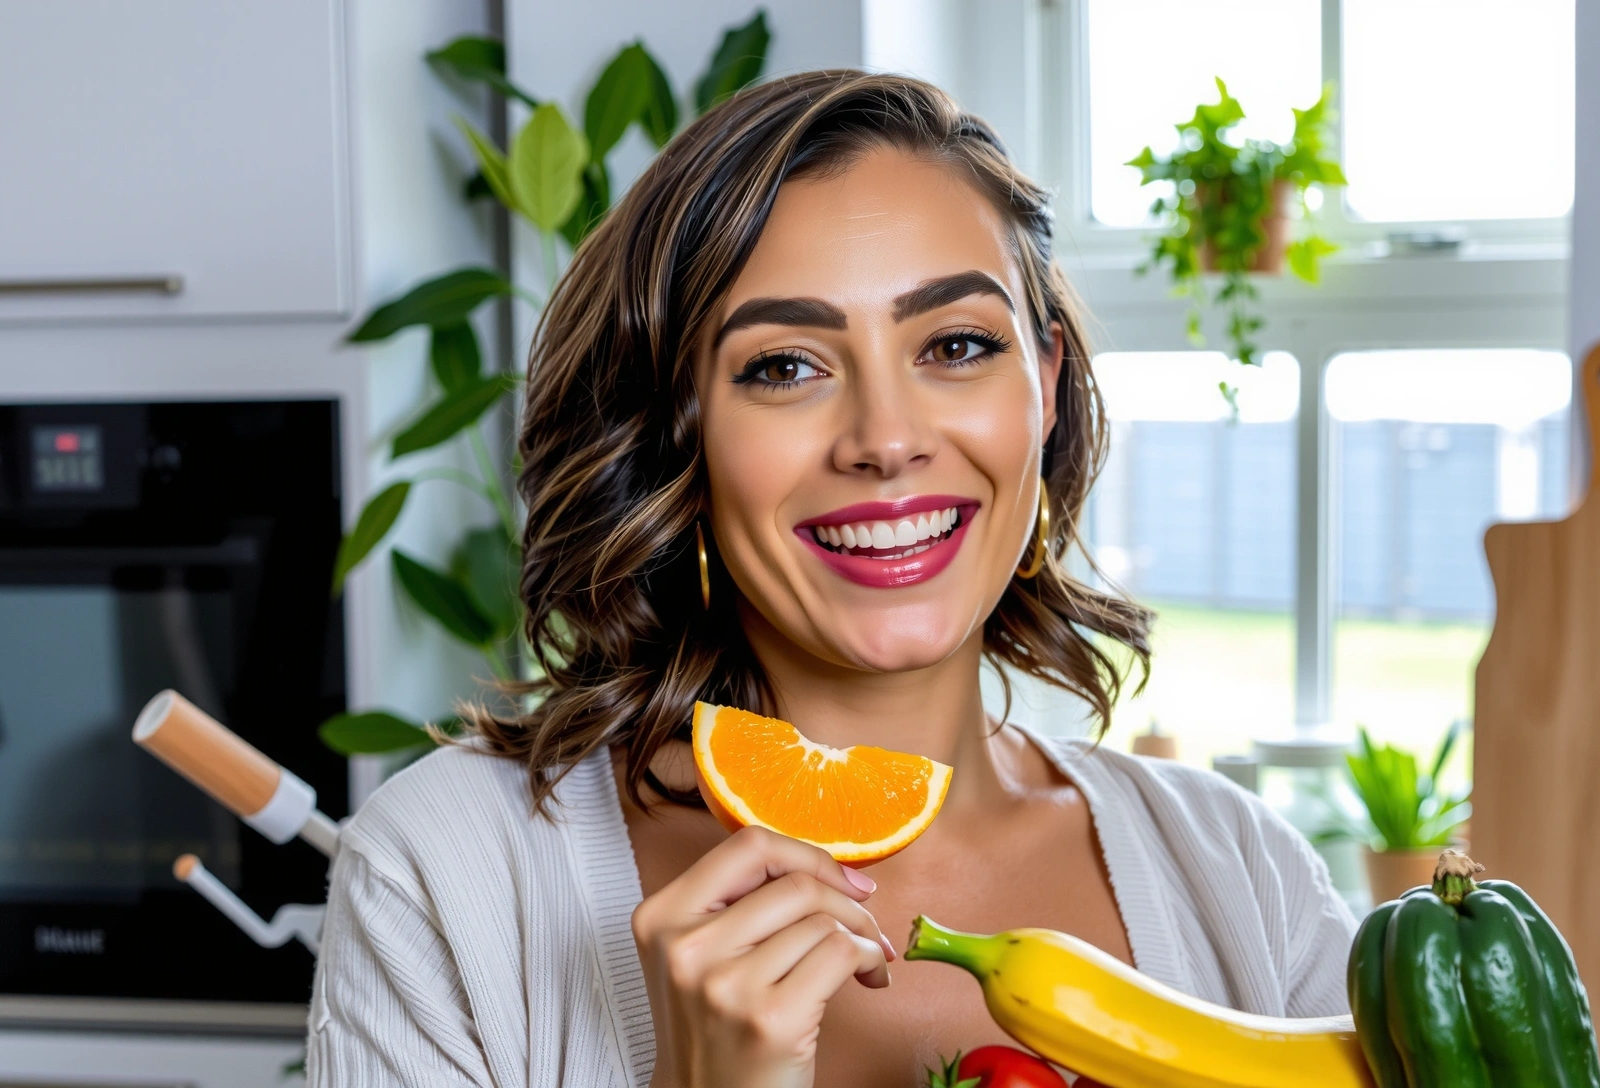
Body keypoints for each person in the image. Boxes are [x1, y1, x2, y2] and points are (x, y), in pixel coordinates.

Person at [308, 70, 1354, 1088]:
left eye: (956, 344)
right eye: (784, 366)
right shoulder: (444, 873)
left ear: (1043, 384)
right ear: (676, 434)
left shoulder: (1243, 874)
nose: (886, 439)